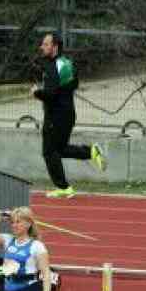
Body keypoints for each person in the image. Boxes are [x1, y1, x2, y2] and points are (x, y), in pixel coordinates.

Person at [32, 32, 106, 199]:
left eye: (45, 44)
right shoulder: (67, 63)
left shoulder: (52, 67)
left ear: (55, 47)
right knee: (60, 149)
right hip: (68, 114)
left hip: (55, 116)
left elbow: (51, 94)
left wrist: (37, 93)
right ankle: (91, 152)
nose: (41, 47)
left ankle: (64, 187)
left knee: (49, 152)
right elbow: (74, 84)